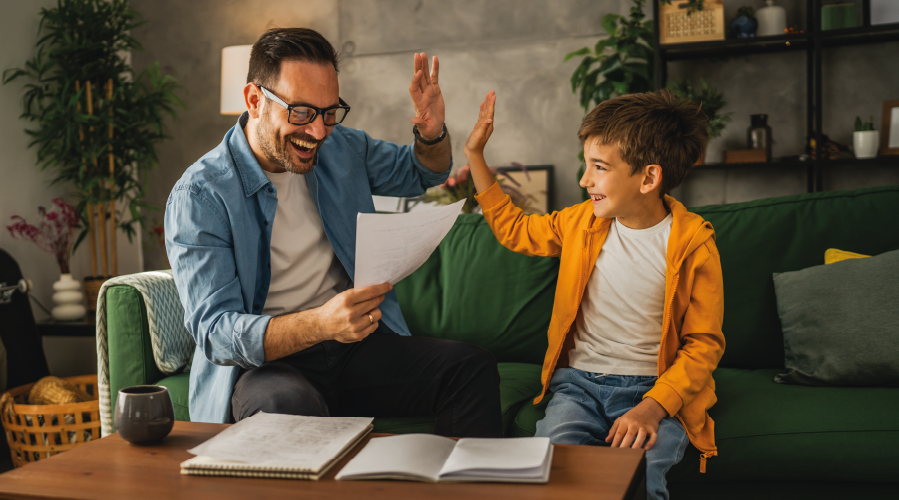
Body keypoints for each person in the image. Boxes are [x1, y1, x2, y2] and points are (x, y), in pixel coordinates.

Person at [165, 28, 501, 438]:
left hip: (353, 350)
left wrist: (430, 133)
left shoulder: (341, 146)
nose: (320, 132)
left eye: (329, 112)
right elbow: (216, 333)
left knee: (469, 368)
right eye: (302, 112)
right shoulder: (200, 195)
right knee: (285, 407)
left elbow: (422, 171)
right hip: (268, 366)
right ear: (255, 100)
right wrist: (321, 324)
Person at [462, 89, 725, 498]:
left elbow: (703, 345)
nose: (584, 180)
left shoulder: (693, 244)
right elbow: (515, 230)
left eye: (599, 168)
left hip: (654, 392)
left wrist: (652, 409)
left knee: (641, 477)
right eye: (587, 165)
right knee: (553, 471)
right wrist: (475, 155)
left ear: (649, 177)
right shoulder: (580, 223)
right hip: (578, 388)